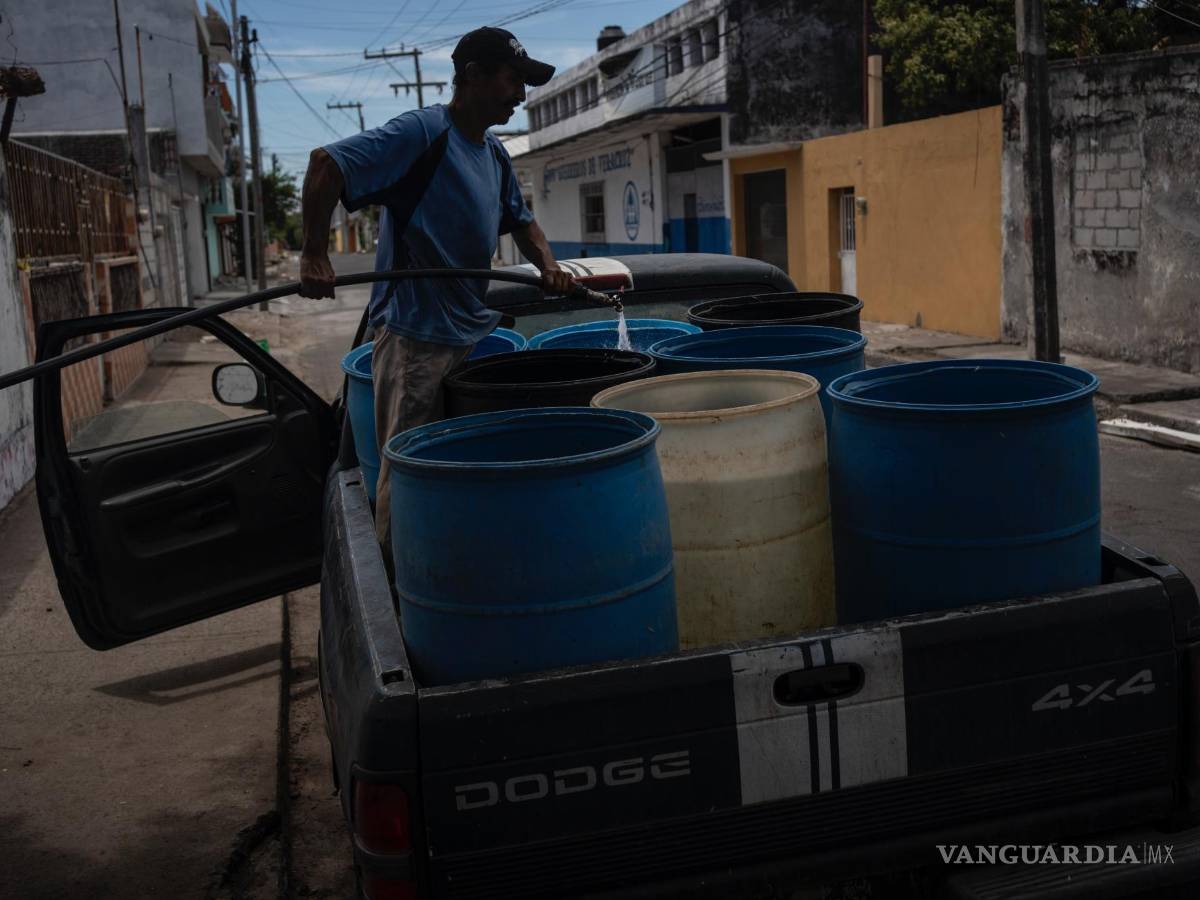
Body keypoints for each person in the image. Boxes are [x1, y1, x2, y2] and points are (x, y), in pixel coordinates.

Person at [298, 27, 574, 546]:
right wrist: (314, 252)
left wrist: (548, 266)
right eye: (513, 80)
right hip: (415, 341)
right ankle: (398, 594)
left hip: (468, 337)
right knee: (409, 480)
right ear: (472, 76)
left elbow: (522, 220)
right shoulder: (424, 132)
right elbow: (326, 163)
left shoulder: (493, 154)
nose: (521, 95)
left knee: (456, 475)